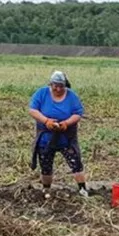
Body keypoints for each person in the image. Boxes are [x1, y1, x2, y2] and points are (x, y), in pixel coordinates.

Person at [28, 70, 88, 198]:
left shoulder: (72, 96)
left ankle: (83, 189)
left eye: (61, 86)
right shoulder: (42, 93)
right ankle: (46, 190)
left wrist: (66, 123)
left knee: (75, 162)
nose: (58, 88)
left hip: (66, 137)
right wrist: (46, 121)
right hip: (46, 137)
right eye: (55, 85)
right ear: (51, 84)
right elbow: (33, 110)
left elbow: (78, 113)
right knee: (45, 163)